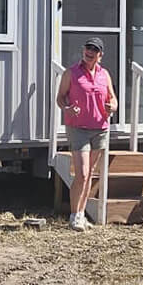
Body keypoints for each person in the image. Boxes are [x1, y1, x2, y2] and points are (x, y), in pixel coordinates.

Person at [56, 37, 118, 230]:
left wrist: (112, 107)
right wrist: (67, 108)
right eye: (87, 48)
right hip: (78, 128)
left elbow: (112, 98)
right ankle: (74, 216)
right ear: (83, 51)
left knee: (90, 172)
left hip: (100, 127)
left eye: (94, 50)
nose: (89, 52)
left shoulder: (104, 74)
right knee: (82, 172)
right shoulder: (71, 73)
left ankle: (81, 214)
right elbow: (60, 97)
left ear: (100, 55)